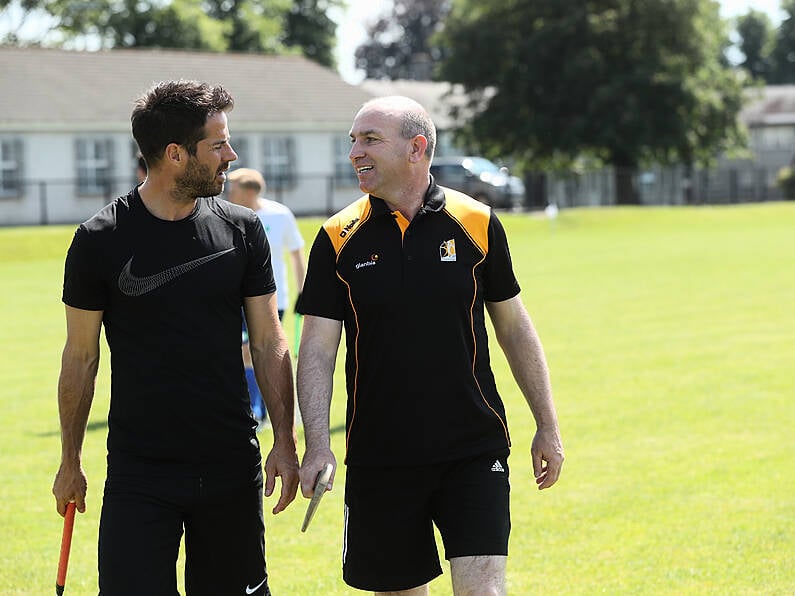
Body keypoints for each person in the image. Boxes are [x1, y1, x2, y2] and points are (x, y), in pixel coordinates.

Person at [296, 96, 564, 595]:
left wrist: (547, 424)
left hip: (473, 447)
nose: (355, 151)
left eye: (370, 139)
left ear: (417, 147)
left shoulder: (477, 222)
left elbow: (513, 328)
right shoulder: (336, 236)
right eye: (352, 140)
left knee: (484, 589)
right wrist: (316, 443)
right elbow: (316, 350)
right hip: (381, 456)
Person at [51, 80, 299, 596]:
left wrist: (285, 440)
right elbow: (80, 359)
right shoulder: (98, 239)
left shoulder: (244, 230)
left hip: (230, 465)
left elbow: (269, 342)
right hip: (139, 473)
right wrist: (70, 461)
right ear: (174, 154)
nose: (231, 156)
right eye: (217, 145)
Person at [227, 168, 306, 423]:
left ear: (249, 192)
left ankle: (259, 410)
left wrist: (303, 291)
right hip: (236, 298)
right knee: (244, 351)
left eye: (234, 188)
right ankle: (255, 410)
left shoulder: (280, 215)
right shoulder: (229, 216)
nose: (229, 193)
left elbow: (296, 253)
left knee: (258, 351)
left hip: (274, 299)